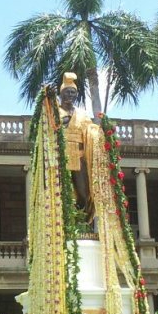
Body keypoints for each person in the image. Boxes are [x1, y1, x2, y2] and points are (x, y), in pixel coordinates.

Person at [58, 72, 96, 220]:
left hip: (79, 157)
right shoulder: (55, 111)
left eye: (73, 92)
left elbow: (90, 132)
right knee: (63, 191)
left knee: (83, 191)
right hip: (62, 157)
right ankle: (65, 221)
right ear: (61, 94)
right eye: (67, 92)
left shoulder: (82, 114)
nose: (70, 95)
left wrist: (101, 131)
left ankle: (83, 220)